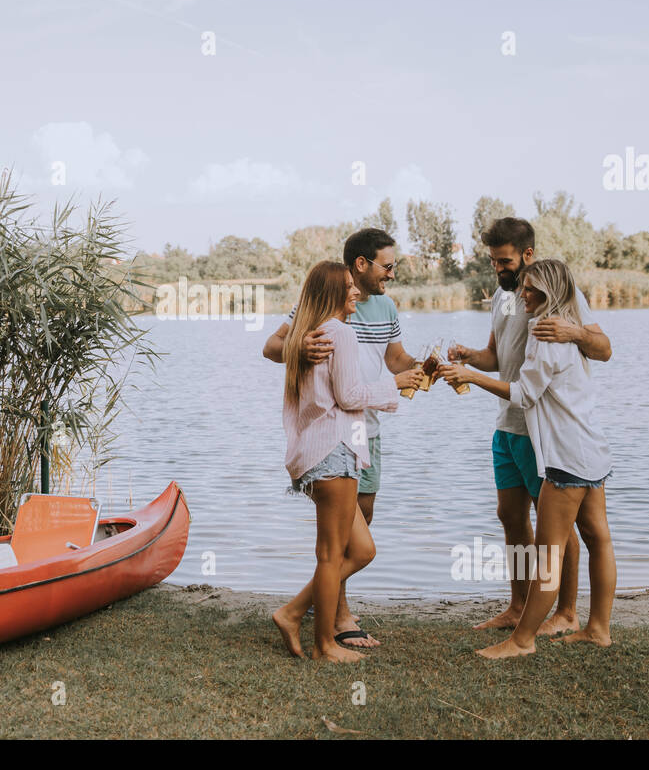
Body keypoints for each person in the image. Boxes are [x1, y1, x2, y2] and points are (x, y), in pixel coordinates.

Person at [437, 259, 615, 658]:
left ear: (549, 292)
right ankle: (599, 629)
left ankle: (522, 640)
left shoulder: (545, 331)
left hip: (565, 457)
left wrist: (470, 377)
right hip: (592, 450)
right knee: (598, 538)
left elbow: (524, 394)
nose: (522, 294)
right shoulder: (567, 327)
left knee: (549, 553)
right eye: (522, 288)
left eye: (530, 289)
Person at [263, 227, 421, 648]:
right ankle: (331, 627)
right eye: (387, 266)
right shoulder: (328, 320)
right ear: (360, 265)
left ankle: (299, 612)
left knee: (356, 540)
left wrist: (419, 369)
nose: (391, 275)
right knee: (337, 547)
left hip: (357, 438)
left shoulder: (380, 308)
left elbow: (396, 359)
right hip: (335, 438)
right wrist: (298, 346)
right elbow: (274, 347)